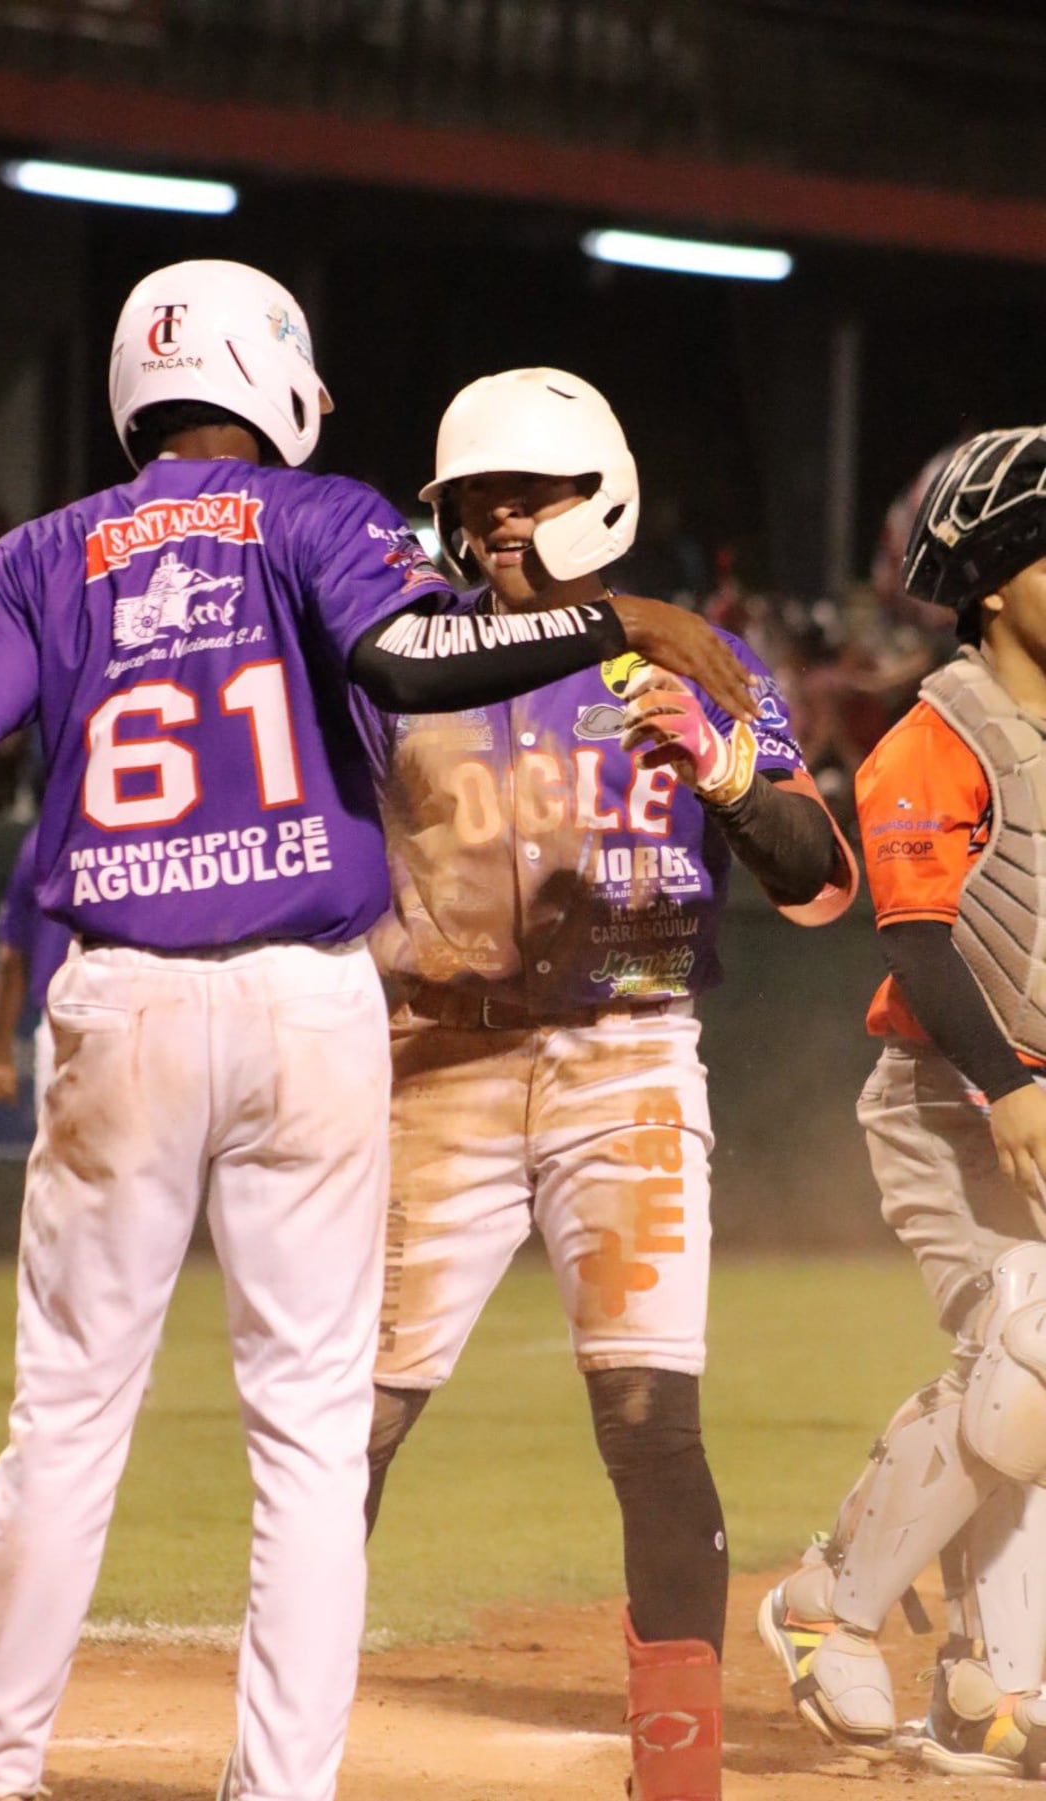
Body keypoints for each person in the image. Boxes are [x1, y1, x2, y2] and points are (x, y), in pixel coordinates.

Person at [0, 263, 754, 1801]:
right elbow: (412, 659)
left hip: (119, 992)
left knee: (65, 1416)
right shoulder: (321, 515)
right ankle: (282, 1789)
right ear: (270, 375)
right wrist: (626, 617)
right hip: (309, 1003)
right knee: (314, 1438)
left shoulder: (34, 553)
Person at [352, 367, 858, 1801]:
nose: (501, 521)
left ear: (603, 494)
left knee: (650, 1424)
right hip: (430, 1055)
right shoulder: (405, 646)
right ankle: (286, 1746)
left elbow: (823, 884)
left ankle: (679, 1778)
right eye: (476, 499)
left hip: (627, 1053)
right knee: (355, 1422)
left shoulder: (706, 661)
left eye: (534, 492)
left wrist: (725, 777)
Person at [758, 425, 1046, 1780]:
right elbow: (919, 939)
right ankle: (829, 1604)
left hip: (1030, 1106)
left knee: (1039, 1396)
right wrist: (1007, 1089)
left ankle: (992, 1683)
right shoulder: (942, 735)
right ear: (994, 582)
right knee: (1032, 1359)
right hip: (949, 1102)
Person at [0, 821, 72, 1116]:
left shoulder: (43, 840)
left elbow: (9, 958)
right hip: (150, 1017)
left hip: (64, 1032)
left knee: (68, 1161)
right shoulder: (151, 833)